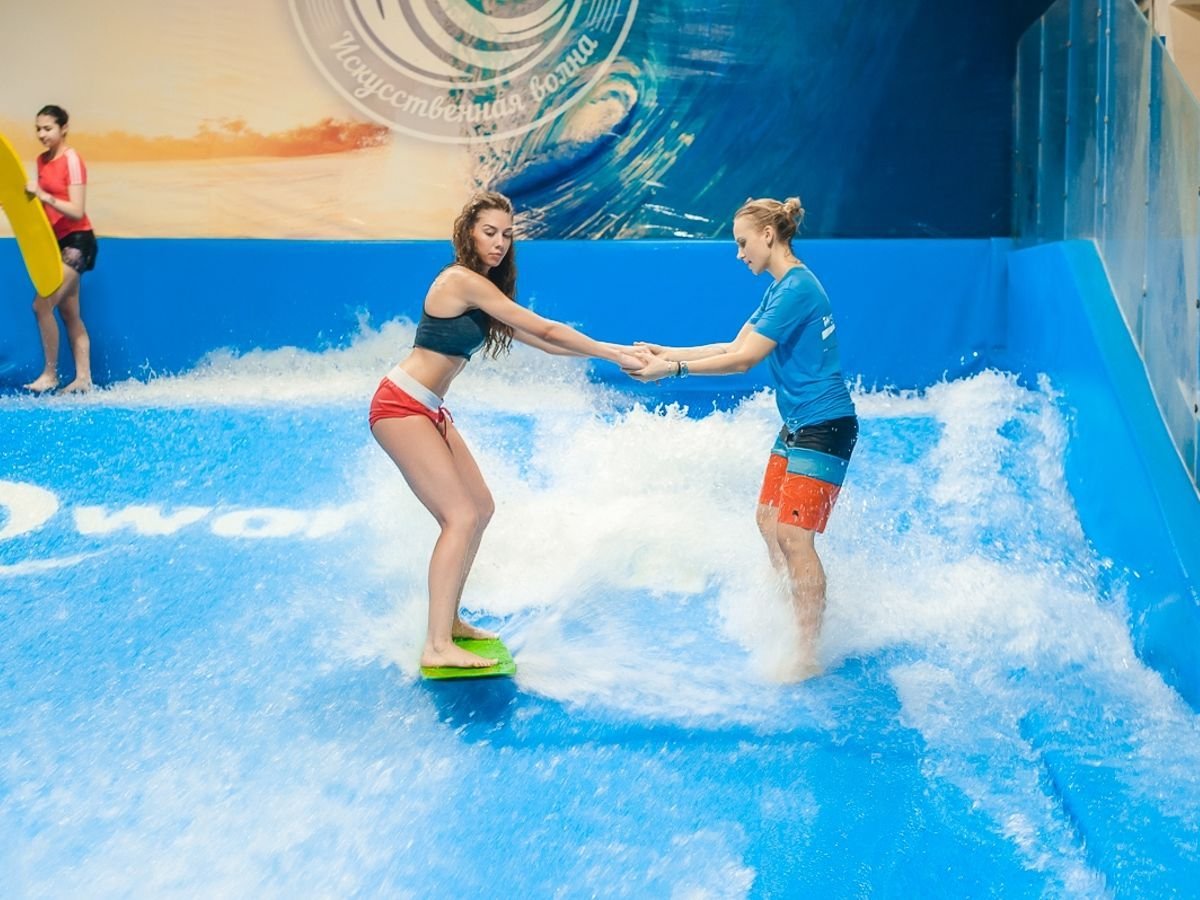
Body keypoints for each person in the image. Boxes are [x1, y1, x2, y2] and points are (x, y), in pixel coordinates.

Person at [371, 191, 640, 670]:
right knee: (460, 516)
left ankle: (449, 622)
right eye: (489, 232)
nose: (498, 243)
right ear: (468, 233)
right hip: (401, 404)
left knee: (480, 507)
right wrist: (614, 354)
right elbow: (549, 328)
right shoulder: (460, 281)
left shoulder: (483, 291)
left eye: (506, 235)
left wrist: (617, 350)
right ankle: (437, 644)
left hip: (429, 407)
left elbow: (544, 342)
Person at [627, 196, 857, 680]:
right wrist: (664, 351)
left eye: (742, 243)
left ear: (769, 235)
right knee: (768, 519)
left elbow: (743, 362)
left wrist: (672, 370)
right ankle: (789, 606)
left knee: (795, 537)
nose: (738, 254)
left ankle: (806, 649)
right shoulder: (780, 288)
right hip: (798, 423)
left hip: (826, 424)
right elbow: (733, 345)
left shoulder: (797, 288)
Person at [24, 105, 97, 393]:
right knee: (69, 313)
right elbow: (42, 204)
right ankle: (83, 379)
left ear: (63, 128)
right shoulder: (41, 161)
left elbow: (77, 211)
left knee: (41, 305)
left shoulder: (72, 159)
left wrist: (42, 195)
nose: (42, 134)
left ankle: (50, 374)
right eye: (38, 129)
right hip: (56, 243)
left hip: (79, 241)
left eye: (48, 128)